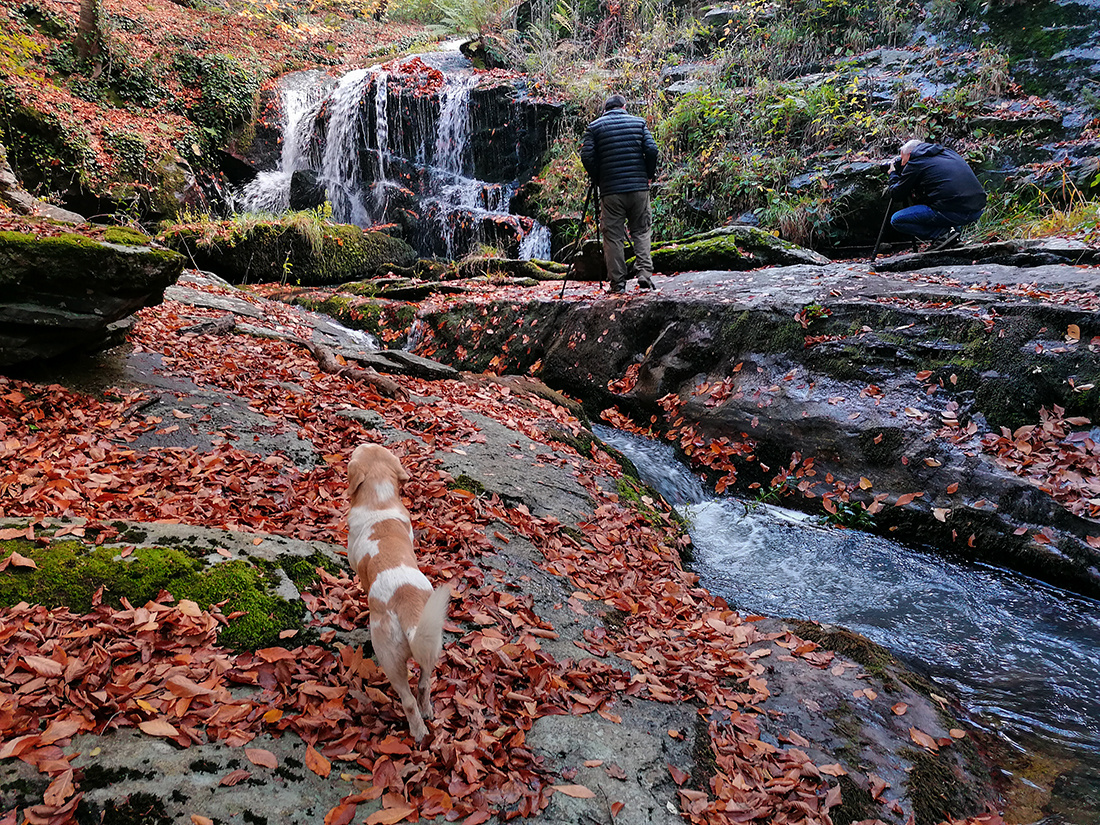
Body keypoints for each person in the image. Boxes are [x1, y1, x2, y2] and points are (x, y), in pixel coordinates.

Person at [580, 94, 659, 294]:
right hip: (639, 189)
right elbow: (651, 150)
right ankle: (644, 276)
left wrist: (599, 178)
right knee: (641, 231)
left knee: (613, 237)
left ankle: (618, 284)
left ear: (605, 110)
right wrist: (648, 175)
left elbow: (587, 156)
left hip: (611, 191)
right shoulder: (638, 123)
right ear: (624, 107)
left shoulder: (595, 127)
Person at [887, 139, 987, 250]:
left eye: (902, 158)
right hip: (977, 210)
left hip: (953, 212)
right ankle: (953, 234)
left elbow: (897, 194)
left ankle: (942, 234)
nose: (902, 163)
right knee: (943, 202)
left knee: (897, 219)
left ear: (909, 154)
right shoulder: (949, 153)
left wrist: (893, 174)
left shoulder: (916, 162)